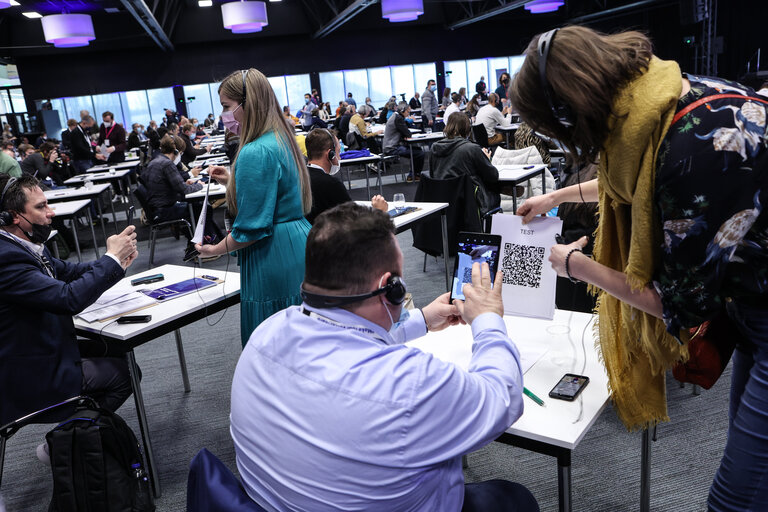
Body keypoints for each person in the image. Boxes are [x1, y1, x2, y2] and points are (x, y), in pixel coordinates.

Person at [510, 26, 768, 511]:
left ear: (569, 111)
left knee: (735, 499)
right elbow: (629, 182)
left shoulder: (686, 154)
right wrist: (558, 196)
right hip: (750, 303)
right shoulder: (661, 101)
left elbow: (677, 302)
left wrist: (575, 265)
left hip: (756, 305)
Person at [230, 202, 539, 512]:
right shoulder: (410, 382)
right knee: (516, 499)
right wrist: (488, 319)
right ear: (389, 289)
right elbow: (503, 398)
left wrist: (419, 320)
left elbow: (347, 337)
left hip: (278, 501)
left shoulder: (265, 334)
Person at [0, 173, 138, 430]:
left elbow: (71, 273)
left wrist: (115, 260)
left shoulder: (23, 244)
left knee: (120, 352)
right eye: (41, 207)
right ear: (12, 216)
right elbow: (68, 299)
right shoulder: (7, 258)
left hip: (40, 347)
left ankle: (77, 431)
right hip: (25, 372)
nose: (50, 213)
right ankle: (64, 441)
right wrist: (111, 260)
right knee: (125, 375)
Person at [194, 68, 313, 348]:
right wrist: (233, 183)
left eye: (226, 106)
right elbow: (278, 196)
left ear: (247, 105)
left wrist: (215, 250)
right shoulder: (282, 138)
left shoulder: (254, 151)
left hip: (272, 254)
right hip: (299, 244)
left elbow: (253, 228)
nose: (223, 115)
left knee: (274, 346)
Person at [303, 129, 387, 224]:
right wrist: (379, 211)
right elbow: (355, 223)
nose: (339, 158)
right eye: (338, 152)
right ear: (330, 154)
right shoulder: (331, 184)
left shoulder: (299, 177)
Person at [430, 113, 500, 215]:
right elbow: (493, 176)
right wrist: (486, 159)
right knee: (495, 192)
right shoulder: (471, 149)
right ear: (467, 128)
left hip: (443, 204)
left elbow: (433, 176)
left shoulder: (434, 148)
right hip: (470, 204)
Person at [383, 102, 424, 182]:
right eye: (408, 112)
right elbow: (407, 133)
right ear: (402, 111)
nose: (408, 114)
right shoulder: (398, 119)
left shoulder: (396, 116)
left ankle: (413, 174)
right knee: (419, 153)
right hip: (392, 148)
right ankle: (414, 175)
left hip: (391, 145)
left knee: (417, 150)